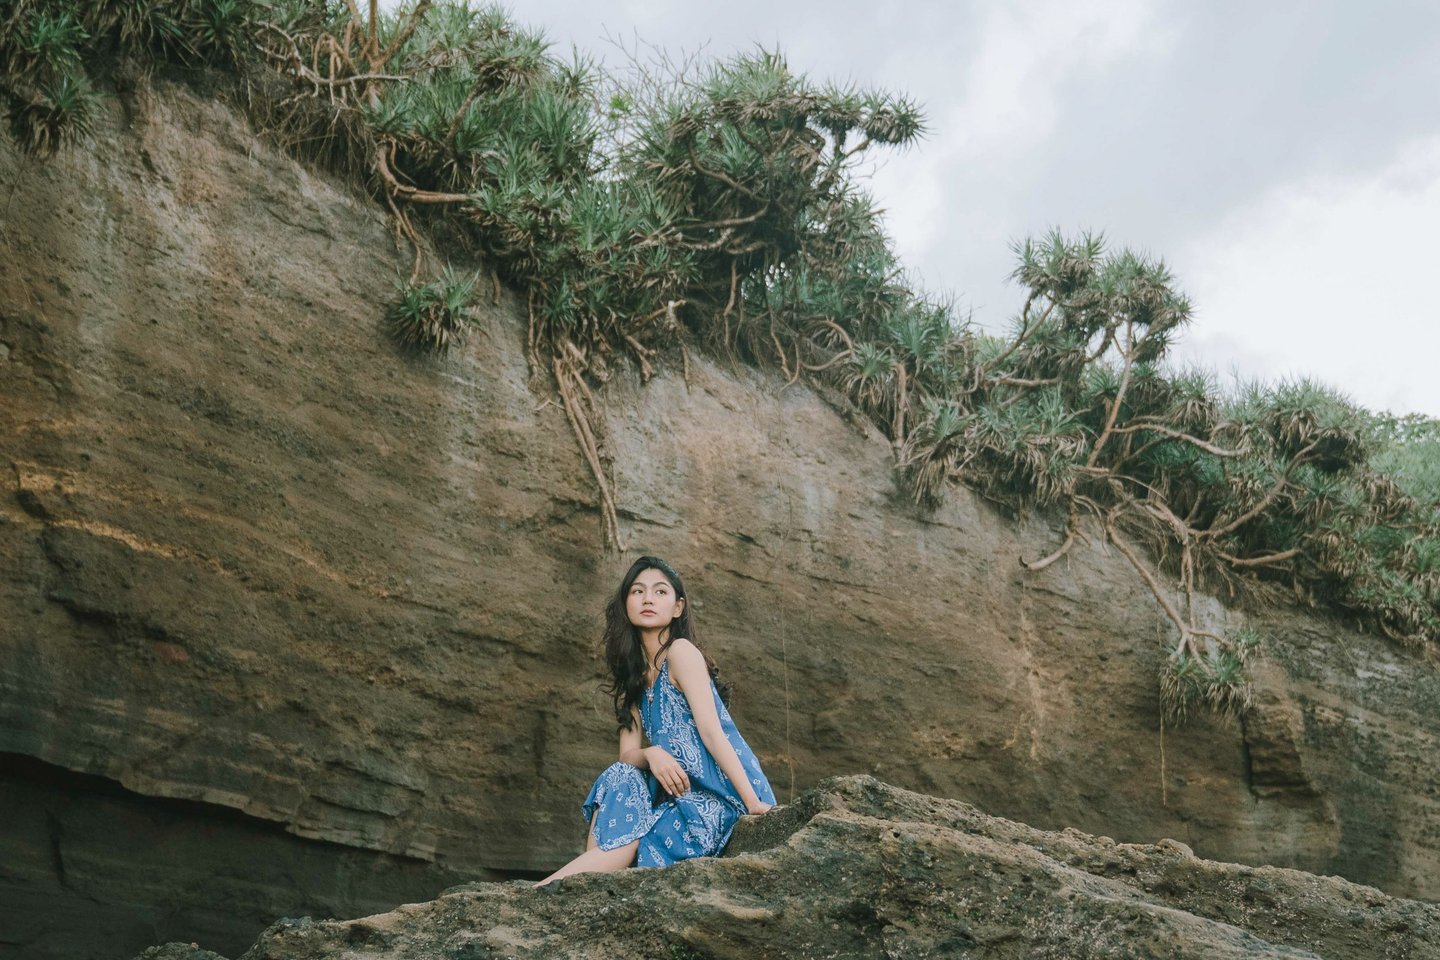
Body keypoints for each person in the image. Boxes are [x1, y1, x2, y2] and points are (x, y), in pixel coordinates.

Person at [537, 556, 775, 885]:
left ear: (678, 608)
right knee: (619, 775)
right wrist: (652, 753)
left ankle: (551, 888)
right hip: (678, 796)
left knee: (636, 835)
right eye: (638, 591)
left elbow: (712, 732)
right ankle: (582, 885)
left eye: (660, 592)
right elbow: (626, 756)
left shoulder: (681, 652)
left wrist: (752, 803)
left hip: (721, 795)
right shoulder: (634, 677)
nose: (648, 599)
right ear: (626, 604)